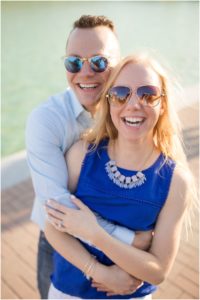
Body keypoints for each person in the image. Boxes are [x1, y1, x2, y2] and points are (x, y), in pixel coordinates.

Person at [45, 53, 197, 299]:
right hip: (68, 293)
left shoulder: (176, 180)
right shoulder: (81, 155)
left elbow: (158, 271)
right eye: (120, 94)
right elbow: (52, 227)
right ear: (108, 101)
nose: (134, 104)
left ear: (164, 104)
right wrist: (99, 272)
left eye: (148, 94)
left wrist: (96, 234)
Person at [26, 15, 147, 299]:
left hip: (123, 239)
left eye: (99, 62)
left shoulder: (134, 113)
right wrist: (126, 246)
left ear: (119, 65)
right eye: (74, 62)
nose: (85, 72)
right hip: (59, 239)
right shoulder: (46, 120)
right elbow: (57, 207)